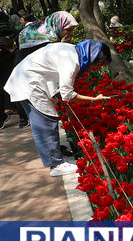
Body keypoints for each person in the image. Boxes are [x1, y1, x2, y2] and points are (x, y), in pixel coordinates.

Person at [3, 40, 112, 176]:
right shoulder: (72, 62)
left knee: (46, 118)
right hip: (29, 82)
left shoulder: (73, 50)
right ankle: (55, 164)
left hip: (26, 78)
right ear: (95, 60)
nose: (99, 69)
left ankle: (55, 156)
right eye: (100, 66)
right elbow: (67, 95)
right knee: (45, 120)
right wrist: (93, 99)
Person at [0, 11, 28, 129]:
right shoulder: (13, 35)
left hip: (5, 65)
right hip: (9, 65)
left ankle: (5, 115)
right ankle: (22, 117)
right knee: (12, 89)